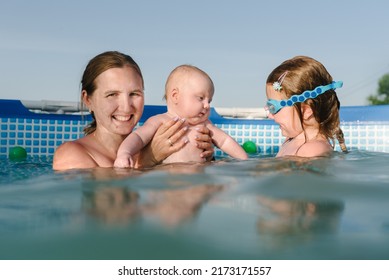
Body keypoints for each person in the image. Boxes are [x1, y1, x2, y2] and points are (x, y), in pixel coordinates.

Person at [53, 51, 214, 170]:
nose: (126, 106)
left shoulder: (155, 144)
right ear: (88, 100)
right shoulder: (70, 154)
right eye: (112, 94)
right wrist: (148, 160)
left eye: (134, 94)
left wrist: (203, 156)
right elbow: (109, 207)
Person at [114, 64, 248, 168]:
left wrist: (245, 161)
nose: (207, 105)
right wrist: (124, 153)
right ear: (175, 96)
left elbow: (225, 141)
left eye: (209, 100)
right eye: (201, 98)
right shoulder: (159, 121)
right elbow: (138, 137)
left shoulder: (205, 125)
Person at [265, 56, 348, 157]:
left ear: (305, 110)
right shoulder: (290, 140)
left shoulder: (312, 149)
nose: (270, 115)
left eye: (273, 107)